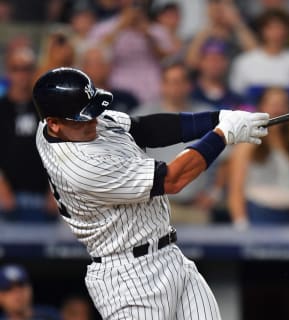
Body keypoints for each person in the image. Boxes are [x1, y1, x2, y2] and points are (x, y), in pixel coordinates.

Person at [32, 67, 269, 319]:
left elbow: (144, 128)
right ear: (54, 124)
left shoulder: (62, 122)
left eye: (92, 112)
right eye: (83, 118)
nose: (93, 121)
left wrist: (218, 118)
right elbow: (173, 179)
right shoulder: (81, 167)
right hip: (129, 277)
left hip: (170, 256)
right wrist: (223, 135)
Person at [134, 62, 224, 224]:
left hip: (195, 207)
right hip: (152, 206)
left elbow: (226, 160)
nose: (174, 87)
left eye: (179, 81)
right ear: (162, 85)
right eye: (169, 82)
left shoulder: (208, 116)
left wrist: (214, 193)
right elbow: (128, 157)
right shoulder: (141, 115)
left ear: (188, 85)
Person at [228, 87, 289, 227]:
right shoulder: (247, 142)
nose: (277, 110)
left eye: (282, 104)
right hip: (261, 213)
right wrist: (240, 222)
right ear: (262, 107)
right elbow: (236, 188)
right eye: (273, 105)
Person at [0, 46, 57, 222]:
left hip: (44, 201)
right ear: (8, 72)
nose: (21, 74)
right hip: (6, 202)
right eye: (16, 69)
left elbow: (60, 152)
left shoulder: (48, 110)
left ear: (34, 71)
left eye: (26, 69)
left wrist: (55, 191)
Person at [87, 0, 174, 103]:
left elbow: (168, 59)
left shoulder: (157, 30)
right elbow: (94, 55)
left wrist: (147, 34)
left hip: (153, 93)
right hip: (117, 92)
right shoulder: (102, 28)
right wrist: (120, 27)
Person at [229, 8, 289, 104]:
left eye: (280, 28)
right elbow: (236, 98)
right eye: (271, 28)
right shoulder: (244, 62)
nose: (276, 33)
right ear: (262, 31)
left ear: (288, 31)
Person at [185, 0, 258, 70]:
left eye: (226, 6)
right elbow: (191, 63)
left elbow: (256, 55)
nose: (220, 9)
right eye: (215, 4)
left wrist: (236, 23)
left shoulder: (240, 34)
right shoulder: (199, 36)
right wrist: (210, 24)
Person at [79, 46, 139, 114]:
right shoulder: (73, 101)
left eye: (99, 63)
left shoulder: (126, 99)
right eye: (89, 64)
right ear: (82, 68)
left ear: (108, 66)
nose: (95, 68)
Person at [191, 39, 245, 111]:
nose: (215, 64)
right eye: (211, 59)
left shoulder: (235, 99)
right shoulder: (189, 93)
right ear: (200, 62)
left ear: (226, 63)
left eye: (220, 59)